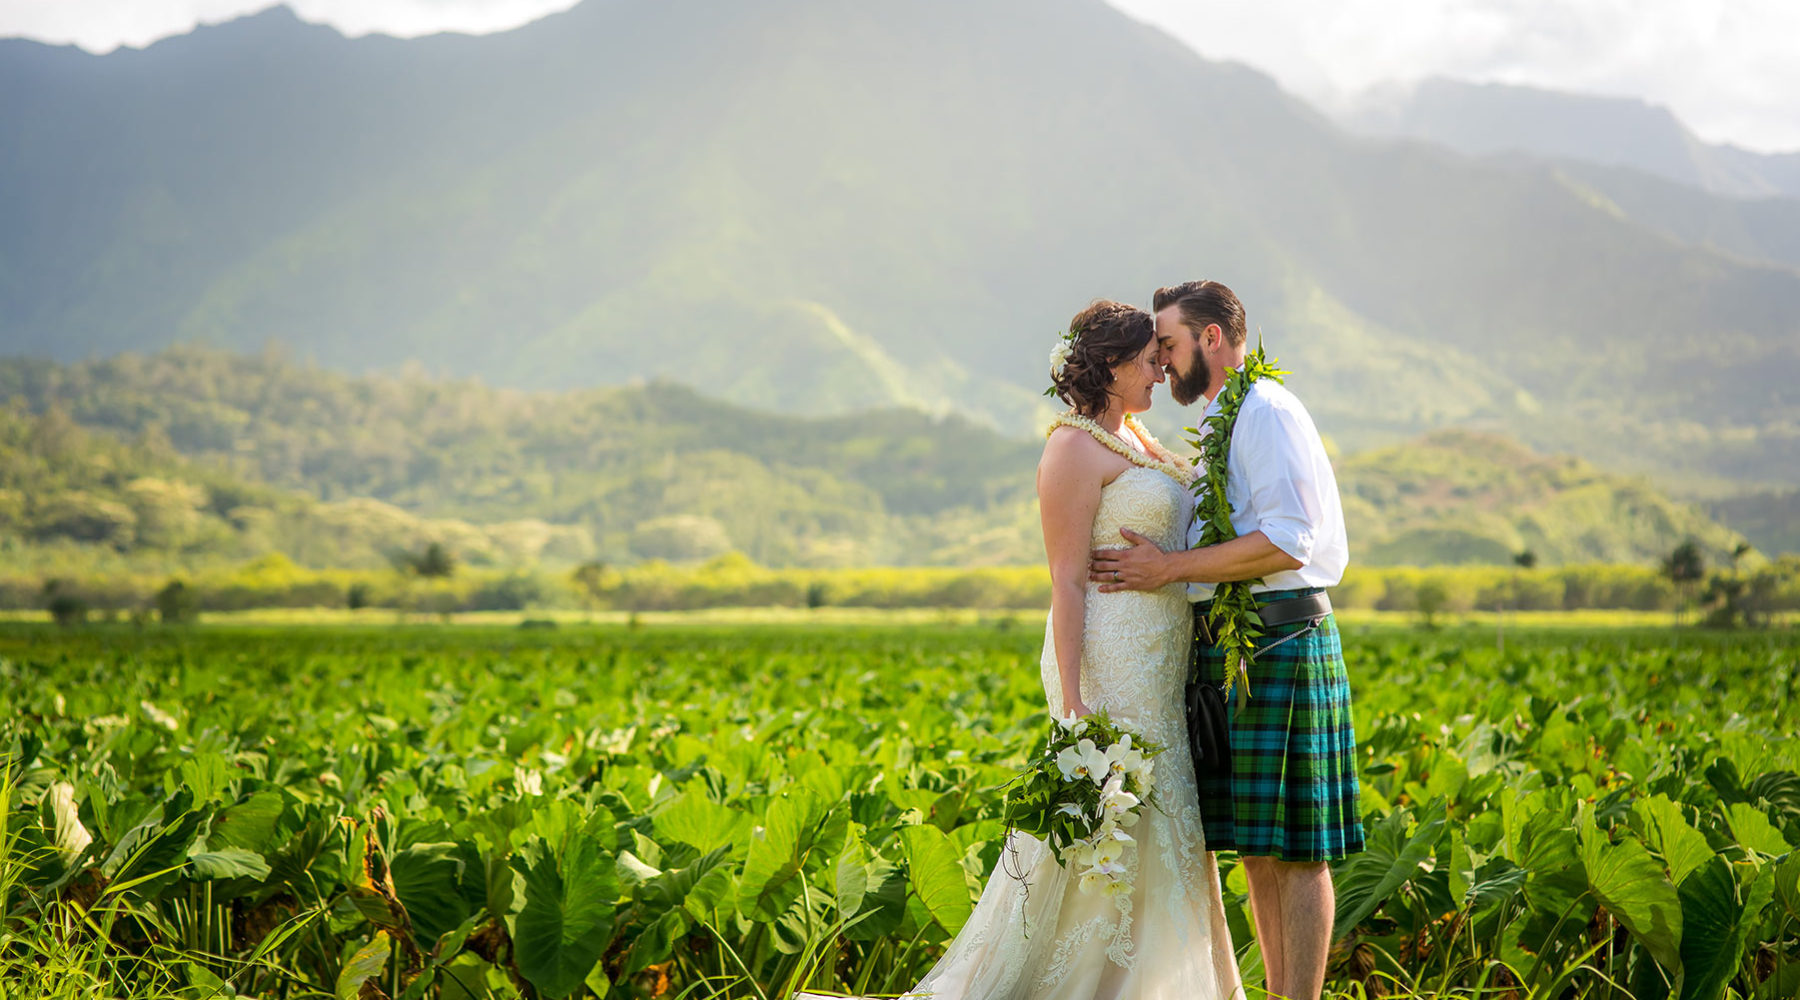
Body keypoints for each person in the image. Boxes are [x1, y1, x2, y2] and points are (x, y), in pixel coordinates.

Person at [801, 300, 1243, 1000]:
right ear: (1113, 366)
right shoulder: (1070, 448)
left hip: (1160, 658)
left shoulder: (1139, 435)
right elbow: (1066, 582)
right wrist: (1074, 705)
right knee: (1110, 822)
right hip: (1108, 655)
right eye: (1150, 361)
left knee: (1165, 821)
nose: (1161, 371)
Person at [1090, 280, 1363, 1000]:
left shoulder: (1267, 412)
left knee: (1298, 852)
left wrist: (1166, 569)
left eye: (1170, 345)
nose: (1164, 361)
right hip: (1235, 651)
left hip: (1281, 639)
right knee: (1259, 851)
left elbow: (1287, 541)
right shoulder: (1224, 419)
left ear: (1212, 339)